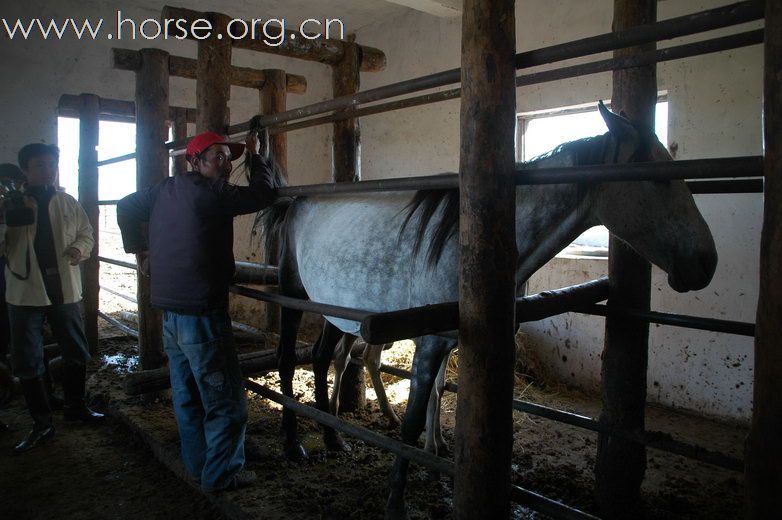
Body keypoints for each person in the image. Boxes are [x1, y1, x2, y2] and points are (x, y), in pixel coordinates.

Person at [117, 129, 276, 493]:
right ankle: (221, 476)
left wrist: (140, 251)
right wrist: (256, 157)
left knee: (187, 394)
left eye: (229, 156)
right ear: (195, 161)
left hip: (170, 314)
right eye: (216, 156)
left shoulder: (164, 189)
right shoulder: (212, 192)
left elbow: (125, 206)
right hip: (202, 315)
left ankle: (199, 467)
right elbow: (263, 195)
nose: (225, 163)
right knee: (227, 404)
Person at [0, 144, 104, 453]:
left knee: (75, 350)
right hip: (24, 293)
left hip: (65, 290)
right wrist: (9, 219)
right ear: (26, 171)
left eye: (51, 165)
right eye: (39, 165)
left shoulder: (68, 203)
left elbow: (86, 233)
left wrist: (78, 250)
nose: (47, 170)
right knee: (28, 359)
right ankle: (42, 423)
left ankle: (75, 406)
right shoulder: (9, 204)